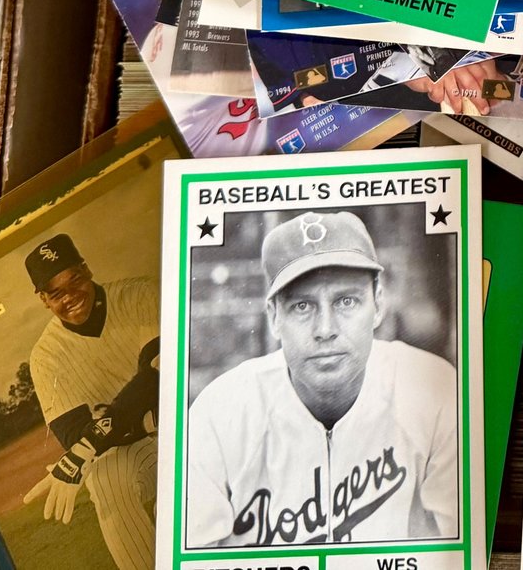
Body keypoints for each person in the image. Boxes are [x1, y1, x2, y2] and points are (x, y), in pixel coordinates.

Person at [184, 211, 459, 549]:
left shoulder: (433, 392)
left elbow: (462, 550)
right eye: (302, 306)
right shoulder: (219, 414)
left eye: (346, 301)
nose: (325, 329)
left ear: (378, 304)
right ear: (273, 317)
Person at [18, 233, 160, 570]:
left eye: (75, 280)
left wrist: (96, 435)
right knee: (105, 479)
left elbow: (157, 375)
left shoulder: (141, 295)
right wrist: (139, 420)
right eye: (56, 293)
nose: (70, 296)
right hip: (131, 450)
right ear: (43, 299)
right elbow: (74, 435)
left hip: (191, 425)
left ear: (87, 269)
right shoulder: (45, 357)